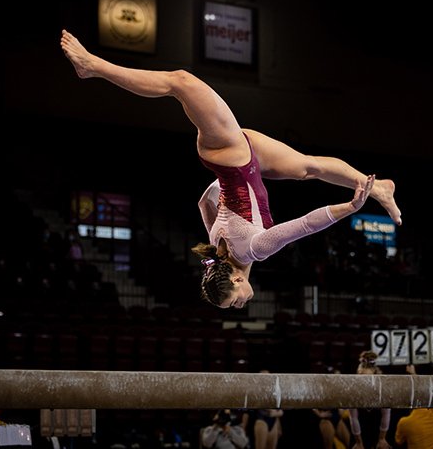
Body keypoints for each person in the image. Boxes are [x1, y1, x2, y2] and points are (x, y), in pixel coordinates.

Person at [60, 29, 402, 309]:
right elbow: (204, 203)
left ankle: (92, 67)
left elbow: (304, 226)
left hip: (232, 156)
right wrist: (223, 188)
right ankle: (378, 186)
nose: (241, 305)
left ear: (237, 279)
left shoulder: (254, 250)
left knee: (180, 82)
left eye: (235, 302)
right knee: (307, 168)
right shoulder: (217, 248)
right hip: (246, 161)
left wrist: (350, 207)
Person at [349, 351, 392, 449]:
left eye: (368, 379)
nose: (365, 383)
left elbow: (386, 415)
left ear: (375, 376)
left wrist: (382, 438)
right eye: (362, 378)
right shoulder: (353, 391)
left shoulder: (382, 388)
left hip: (380, 429)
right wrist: (359, 442)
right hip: (359, 431)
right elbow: (353, 418)